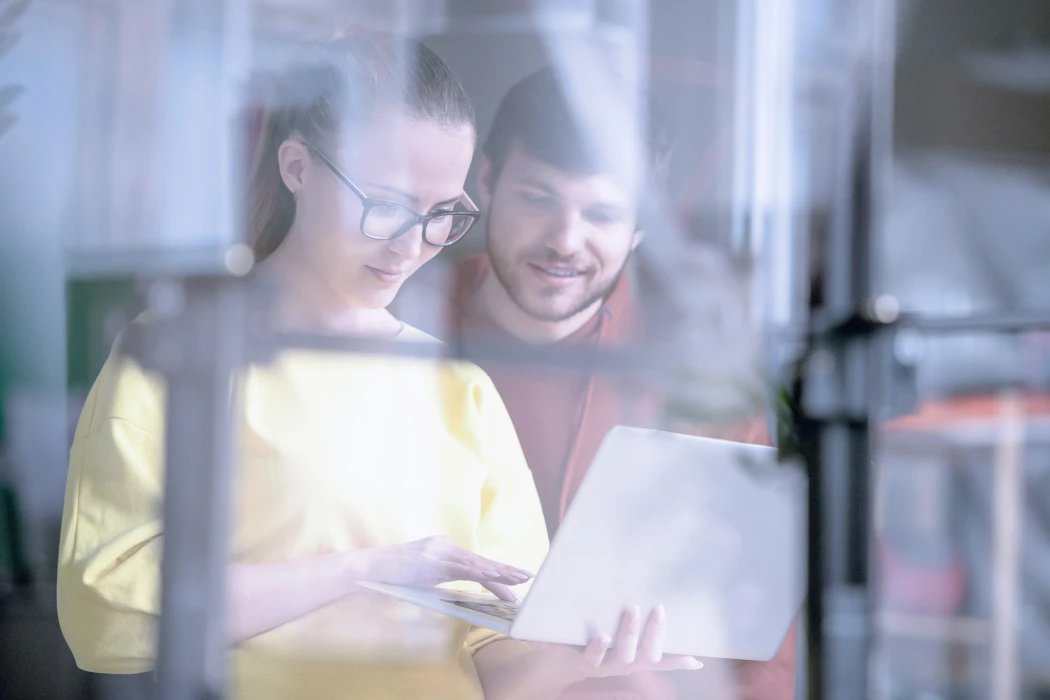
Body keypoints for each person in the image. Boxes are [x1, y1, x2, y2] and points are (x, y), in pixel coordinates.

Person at [56, 35, 700, 700]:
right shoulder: (181, 354)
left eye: (441, 214)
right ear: (298, 167)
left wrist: (591, 658)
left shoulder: (459, 389)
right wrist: (366, 570)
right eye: (386, 204)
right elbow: (106, 613)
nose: (411, 244)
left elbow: (497, 667)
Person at [449, 67, 797, 700]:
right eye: (539, 198)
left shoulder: (692, 369)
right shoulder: (407, 322)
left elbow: (762, 625)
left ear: (641, 226)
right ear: (488, 180)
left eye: (603, 213)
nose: (565, 240)